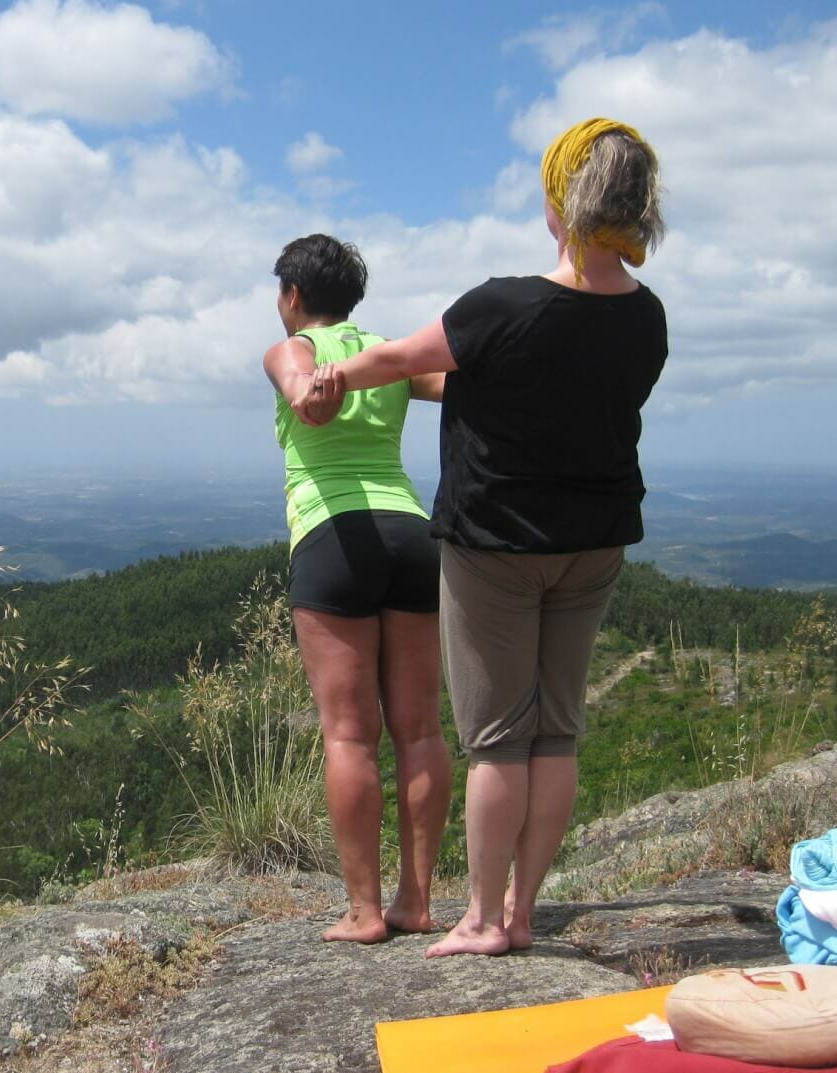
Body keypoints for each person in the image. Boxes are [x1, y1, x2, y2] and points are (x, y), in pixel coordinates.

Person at [310, 118, 669, 956]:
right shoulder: (646, 318)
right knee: (557, 731)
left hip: (495, 546)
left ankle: (480, 919)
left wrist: (332, 374)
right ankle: (523, 910)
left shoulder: (503, 304)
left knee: (498, 738)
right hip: (595, 544)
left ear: (560, 202)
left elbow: (398, 357)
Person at [264, 233, 453, 943]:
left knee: (349, 734)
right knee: (422, 728)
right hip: (411, 534)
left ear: (291, 296)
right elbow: (457, 384)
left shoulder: (291, 347)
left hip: (333, 538)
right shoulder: (390, 354)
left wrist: (314, 394)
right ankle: (418, 900)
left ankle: (364, 911)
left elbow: (302, 393)